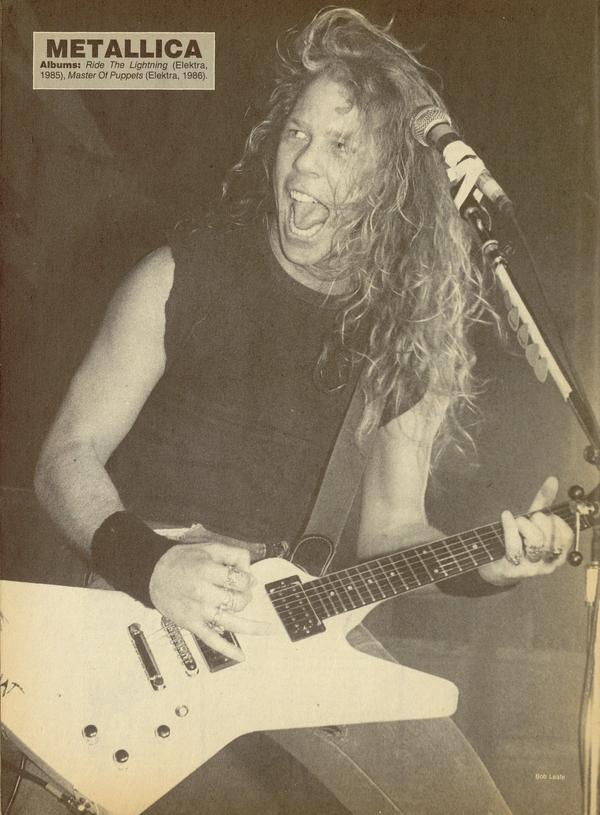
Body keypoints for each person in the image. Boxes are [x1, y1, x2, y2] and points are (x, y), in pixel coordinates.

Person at [27, 7, 572, 815]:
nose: (303, 163)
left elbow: (393, 532)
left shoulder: (403, 337)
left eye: (341, 145)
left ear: (390, 181)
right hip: (134, 611)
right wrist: (153, 565)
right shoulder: (179, 275)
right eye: (297, 134)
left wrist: (489, 562)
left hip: (291, 622)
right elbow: (65, 457)